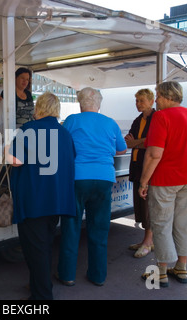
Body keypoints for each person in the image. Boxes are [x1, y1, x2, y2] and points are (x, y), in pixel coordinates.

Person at [6, 92, 76, 300]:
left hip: (34, 200)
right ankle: (38, 286)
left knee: (35, 250)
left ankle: (42, 296)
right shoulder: (64, 133)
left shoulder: (28, 129)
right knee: (43, 246)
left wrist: (6, 150)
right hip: (56, 200)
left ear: (39, 108)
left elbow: (15, 161)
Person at [57, 87, 127, 287]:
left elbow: (61, 145)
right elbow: (121, 149)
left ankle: (67, 275)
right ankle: (98, 276)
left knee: (71, 226)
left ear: (80, 103)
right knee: (99, 227)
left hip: (78, 178)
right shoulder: (110, 122)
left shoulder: (72, 120)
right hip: (104, 178)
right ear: (99, 104)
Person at [139, 81, 187, 287]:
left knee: (162, 224)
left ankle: (162, 271)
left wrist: (143, 181)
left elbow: (154, 153)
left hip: (165, 180)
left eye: (157, 96)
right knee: (184, 224)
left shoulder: (161, 116)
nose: (156, 100)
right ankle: (181, 268)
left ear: (166, 96)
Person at [124, 89, 155, 258]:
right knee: (140, 205)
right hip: (137, 167)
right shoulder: (138, 120)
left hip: (148, 168)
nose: (138, 104)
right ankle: (147, 240)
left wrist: (136, 142)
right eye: (136, 101)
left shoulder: (156, 118)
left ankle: (148, 241)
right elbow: (128, 143)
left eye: (142, 100)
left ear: (152, 101)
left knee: (148, 205)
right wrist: (139, 142)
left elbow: (152, 143)